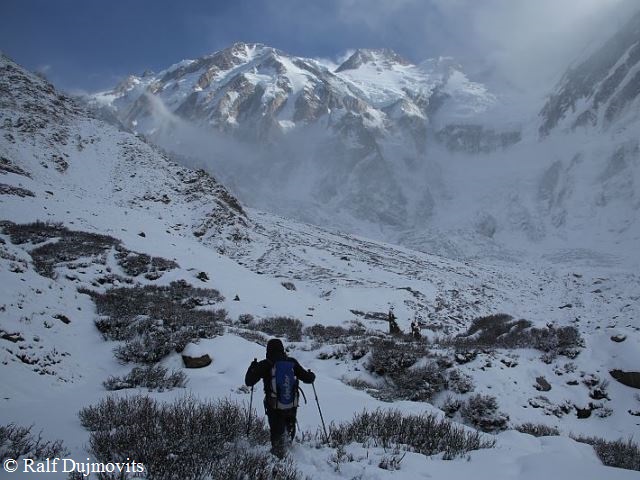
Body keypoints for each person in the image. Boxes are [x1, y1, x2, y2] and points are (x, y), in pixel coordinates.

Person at [245, 338, 315, 458]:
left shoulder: (266, 364)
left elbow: (249, 381)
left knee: (276, 430)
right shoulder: (291, 362)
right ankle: (290, 449)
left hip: (274, 405)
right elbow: (308, 378)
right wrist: (311, 375)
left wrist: (252, 367)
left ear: (268, 350)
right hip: (291, 404)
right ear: (282, 349)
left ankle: (278, 455)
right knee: (290, 425)